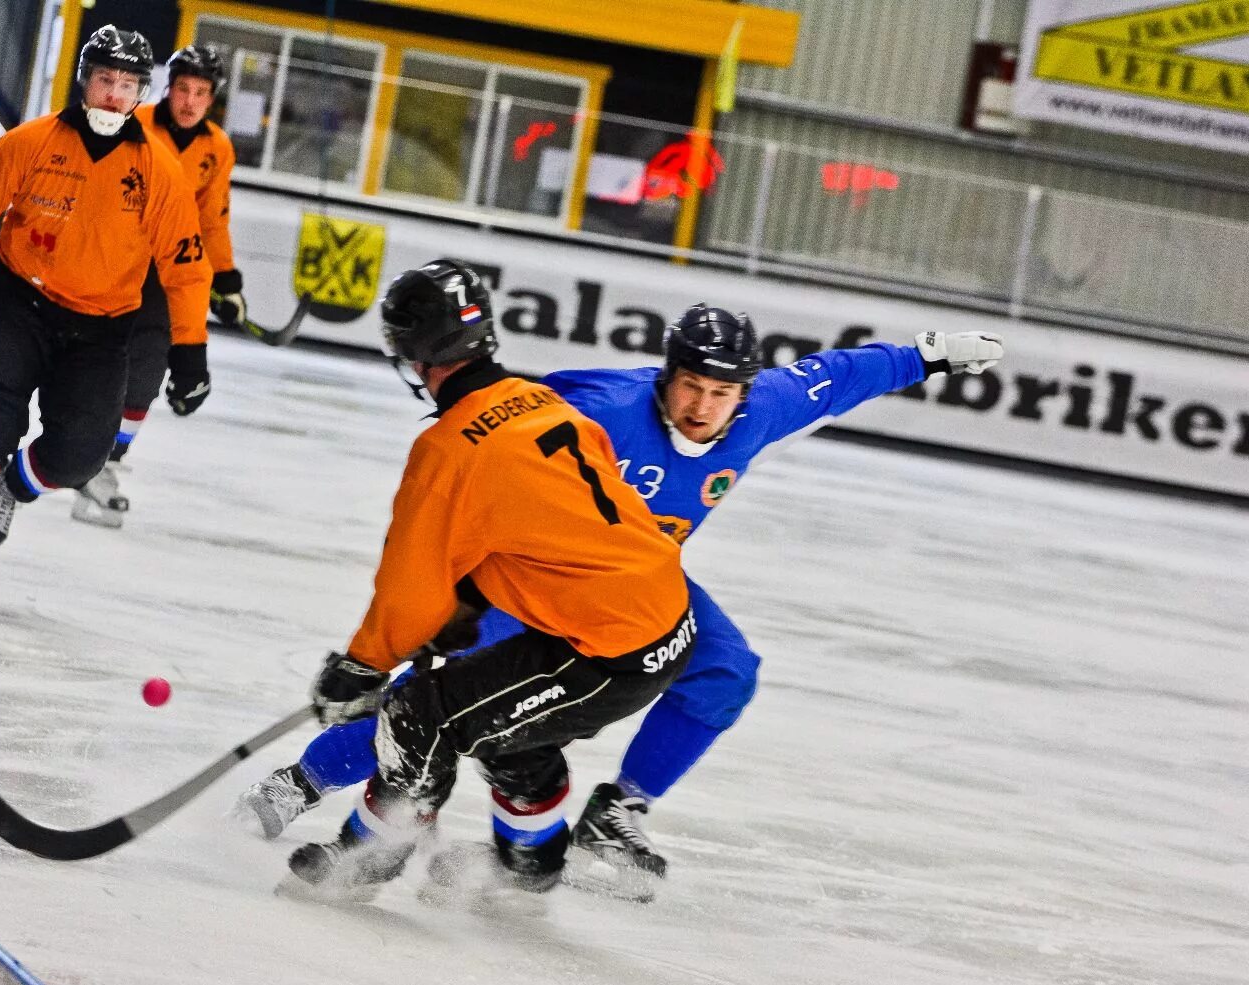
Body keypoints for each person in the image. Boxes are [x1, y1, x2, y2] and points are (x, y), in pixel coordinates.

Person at [242, 304, 1004, 894]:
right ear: (664, 376)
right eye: (691, 387)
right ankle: (304, 778)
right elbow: (500, 424)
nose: (706, 407)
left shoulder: (757, 409)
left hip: (643, 591)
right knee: (443, 693)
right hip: (543, 575)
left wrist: (928, 355)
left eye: (722, 393)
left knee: (726, 670)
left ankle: (616, 814)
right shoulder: (603, 404)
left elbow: (839, 376)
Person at [284, 258, 697, 896]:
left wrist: (363, 665)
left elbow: (410, 585)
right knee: (504, 727)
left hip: (612, 644)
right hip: (654, 617)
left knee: (422, 714)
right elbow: (559, 520)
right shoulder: (539, 402)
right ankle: (527, 865)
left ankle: (366, 858)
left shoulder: (450, 448)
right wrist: (471, 602)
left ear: (413, 354)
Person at [0, 26, 211, 593]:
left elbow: (185, 270)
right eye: (106, 80)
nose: (115, 95)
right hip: (17, 304)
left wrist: (189, 354)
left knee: (81, 456)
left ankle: (13, 486)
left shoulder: (162, 173)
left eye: (128, 84)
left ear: (141, 94)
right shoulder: (30, 141)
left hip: (102, 328)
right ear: (85, 80)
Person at [72, 43, 244, 527]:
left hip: (168, 276)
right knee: (87, 358)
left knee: (146, 373)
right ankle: (60, 447)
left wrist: (226, 279)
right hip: (113, 264)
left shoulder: (218, 148)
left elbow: (213, 219)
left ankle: (102, 467)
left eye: (202, 93)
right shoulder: (134, 123)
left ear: (213, 99)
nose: (190, 102)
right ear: (169, 89)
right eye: (184, 89)